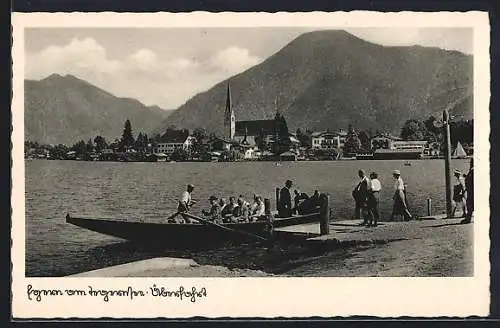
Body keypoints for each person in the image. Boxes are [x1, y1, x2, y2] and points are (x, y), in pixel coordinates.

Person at [461, 158, 474, 224]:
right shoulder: (472, 170)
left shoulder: (473, 170)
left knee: (470, 204)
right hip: (471, 190)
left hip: (472, 191)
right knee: (470, 204)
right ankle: (468, 218)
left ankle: (468, 218)